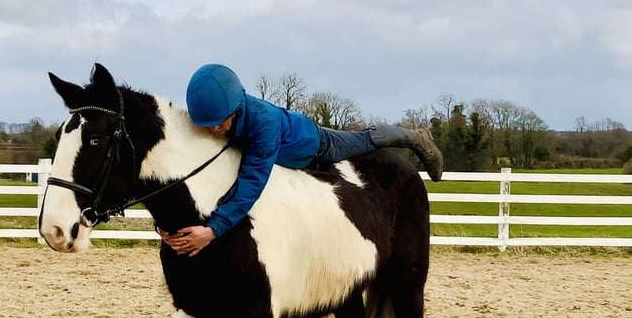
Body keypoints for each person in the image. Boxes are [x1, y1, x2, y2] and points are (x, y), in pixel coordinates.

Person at [160, 64, 443, 257]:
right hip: (288, 140)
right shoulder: (218, 119)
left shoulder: (263, 125)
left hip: (316, 146)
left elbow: (252, 181)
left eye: (218, 123)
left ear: (235, 108)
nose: (213, 130)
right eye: (207, 124)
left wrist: (213, 230)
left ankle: (413, 137)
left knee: (363, 140)